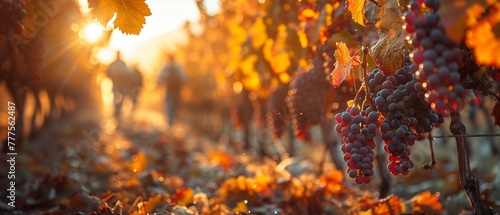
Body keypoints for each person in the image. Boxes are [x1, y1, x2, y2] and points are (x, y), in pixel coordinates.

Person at [157, 54, 187, 127]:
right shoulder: (179, 66)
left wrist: (159, 83)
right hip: (177, 88)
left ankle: (170, 121)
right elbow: (184, 77)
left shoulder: (166, 66)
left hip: (169, 88)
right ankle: (174, 120)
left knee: (169, 103)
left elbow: (160, 76)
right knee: (176, 104)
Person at [106, 51, 129, 118]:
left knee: (119, 98)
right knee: (117, 97)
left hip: (121, 84)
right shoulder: (120, 64)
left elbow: (126, 74)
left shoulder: (118, 64)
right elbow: (108, 73)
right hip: (116, 83)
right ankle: (116, 111)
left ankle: (118, 111)